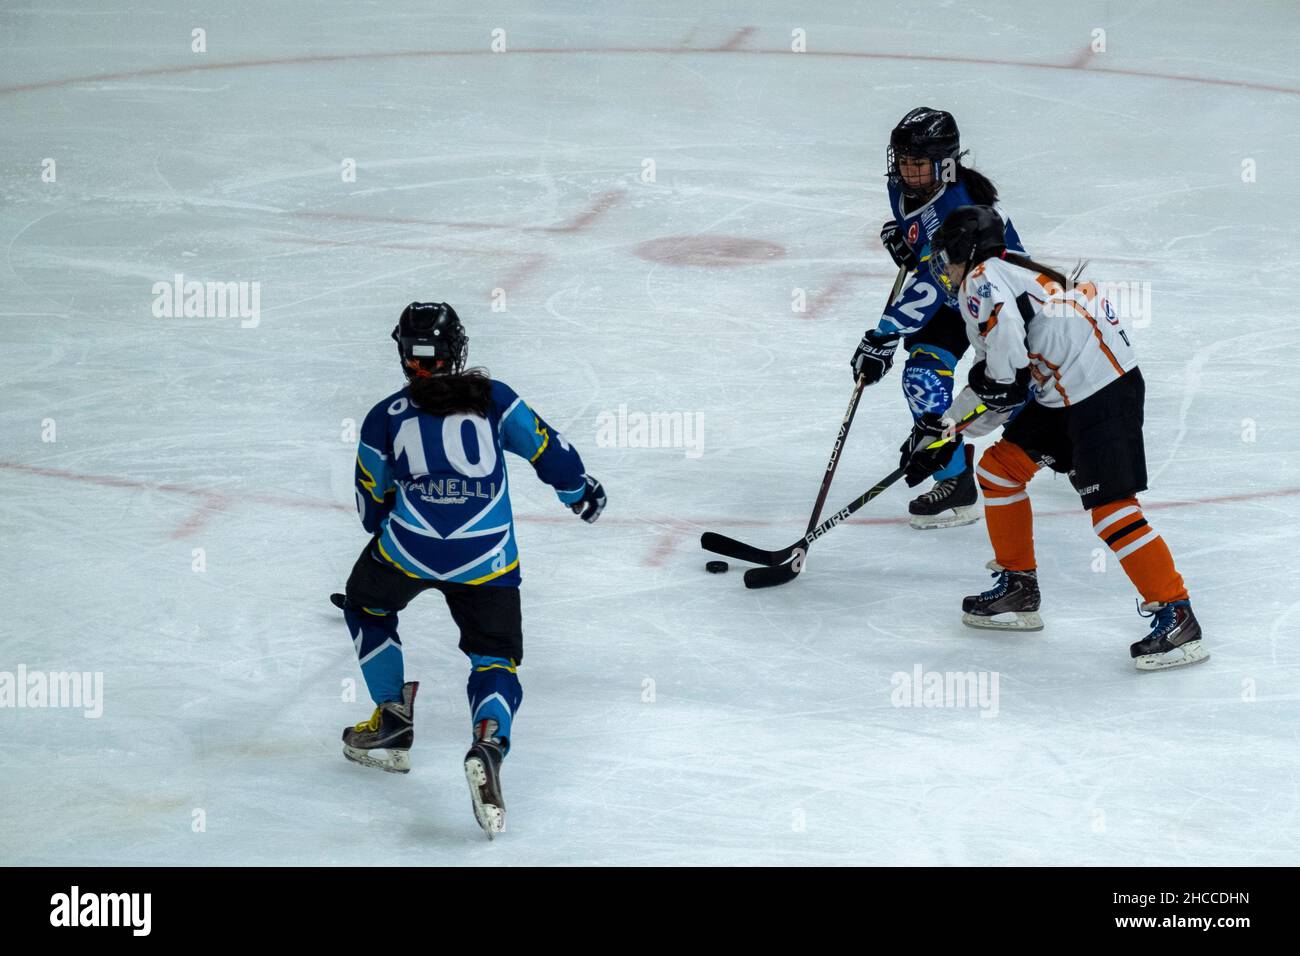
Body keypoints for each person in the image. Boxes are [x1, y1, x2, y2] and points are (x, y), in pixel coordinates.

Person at [338, 302, 606, 837]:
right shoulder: (494, 400)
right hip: (487, 559)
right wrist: (580, 493)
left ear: (404, 357)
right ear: (456, 350)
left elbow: (371, 506)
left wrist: (406, 523)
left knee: (366, 603)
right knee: (494, 659)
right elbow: (549, 451)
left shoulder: (382, 417)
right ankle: (488, 741)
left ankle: (392, 722)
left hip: (408, 551)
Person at [903, 206, 1206, 670]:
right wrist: (946, 431)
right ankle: (1019, 587)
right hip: (1068, 390)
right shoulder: (1006, 268)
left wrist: (948, 428)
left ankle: (1177, 615)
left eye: (947, 256)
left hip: (1100, 392)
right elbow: (1004, 385)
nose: (945, 267)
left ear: (965, 251)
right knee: (999, 470)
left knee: (1111, 512)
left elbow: (1003, 380)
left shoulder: (981, 282)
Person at [853, 107, 1025, 529]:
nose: (908, 172)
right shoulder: (903, 189)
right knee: (922, 378)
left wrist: (884, 334)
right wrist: (905, 241)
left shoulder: (958, 202)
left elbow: (931, 281)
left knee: (1015, 393)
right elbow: (926, 255)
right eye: (903, 161)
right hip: (951, 300)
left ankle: (1071, 446)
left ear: (946, 164)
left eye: (918, 163)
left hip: (995, 299)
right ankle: (955, 479)